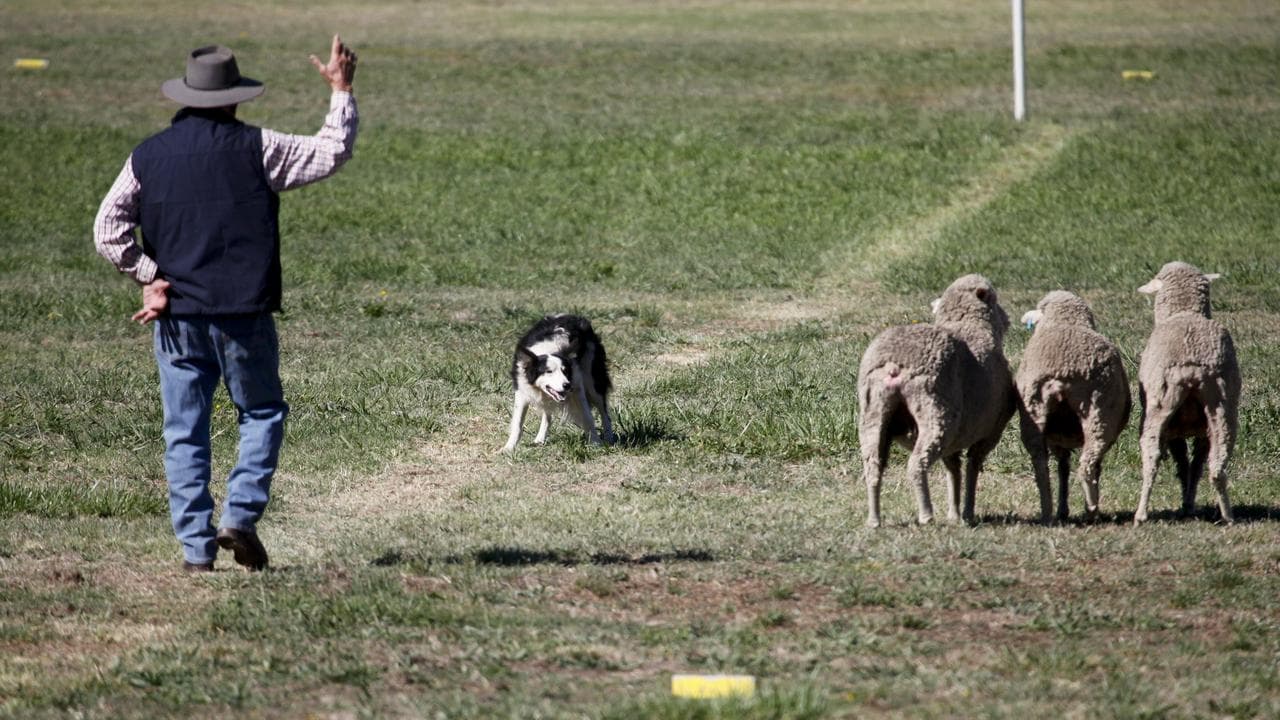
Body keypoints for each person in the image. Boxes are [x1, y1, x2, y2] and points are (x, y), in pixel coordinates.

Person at [93, 36, 359, 572]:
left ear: (185, 97)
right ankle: (239, 515)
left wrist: (151, 274)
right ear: (236, 99)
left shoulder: (147, 156)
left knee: (184, 430)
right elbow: (331, 152)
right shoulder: (260, 148)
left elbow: (108, 230)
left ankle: (196, 552)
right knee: (260, 412)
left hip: (177, 317)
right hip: (244, 314)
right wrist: (341, 90)